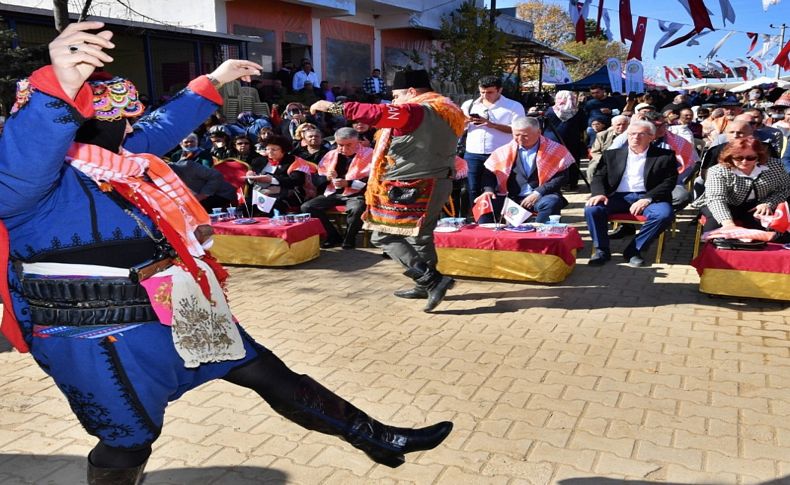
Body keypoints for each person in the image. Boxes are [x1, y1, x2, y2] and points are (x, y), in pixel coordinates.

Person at [0, 22, 453, 484]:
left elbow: (162, 126)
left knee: (264, 370)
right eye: (122, 120)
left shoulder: (117, 161)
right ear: (84, 123)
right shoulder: (30, 186)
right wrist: (57, 83)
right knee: (129, 437)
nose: (134, 127)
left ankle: (375, 437)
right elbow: (25, 155)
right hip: (96, 333)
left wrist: (214, 80)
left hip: (175, 306)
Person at [310, 69, 465, 312]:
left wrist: (330, 106)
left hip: (412, 184)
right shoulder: (447, 109)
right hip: (438, 180)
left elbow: (375, 113)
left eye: (396, 96)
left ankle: (431, 280)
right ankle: (426, 285)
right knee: (421, 235)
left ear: (412, 92)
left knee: (381, 235)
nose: (393, 102)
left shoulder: (416, 110)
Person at [584, 120, 677, 268]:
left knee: (664, 214)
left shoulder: (665, 156)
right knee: (592, 209)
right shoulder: (612, 154)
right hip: (617, 197)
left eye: (641, 134)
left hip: (649, 197)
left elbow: (669, 182)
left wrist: (647, 198)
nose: (635, 137)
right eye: (632, 134)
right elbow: (599, 176)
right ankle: (602, 250)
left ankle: (634, 250)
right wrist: (598, 193)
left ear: (652, 137)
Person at [476, 116, 574, 223]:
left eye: (525, 136)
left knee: (551, 202)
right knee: (484, 201)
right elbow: (489, 174)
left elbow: (562, 177)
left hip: (541, 196)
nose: (520, 139)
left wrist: (538, 193)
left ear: (538, 132)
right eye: (516, 135)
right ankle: (488, 237)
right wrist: (488, 190)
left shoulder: (555, 149)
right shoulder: (504, 151)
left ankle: (539, 235)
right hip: (510, 196)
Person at [691, 136, 790, 232]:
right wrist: (728, 223)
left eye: (751, 158)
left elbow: (785, 189)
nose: (744, 161)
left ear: (759, 156)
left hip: (756, 206)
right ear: (730, 156)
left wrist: (768, 203)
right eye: (738, 158)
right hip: (723, 203)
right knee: (716, 229)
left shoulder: (776, 166)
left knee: (769, 233)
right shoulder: (718, 170)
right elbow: (716, 199)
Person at [300, 127, 373, 249]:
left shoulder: (369, 153)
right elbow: (317, 179)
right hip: (332, 192)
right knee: (307, 207)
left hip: (357, 193)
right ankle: (333, 236)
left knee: (357, 208)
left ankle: (349, 238)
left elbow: (371, 180)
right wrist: (327, 178)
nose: (343, 149)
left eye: (348, 145)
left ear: (358, 142)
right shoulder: (330, 154)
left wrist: (348, 183)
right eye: (340, 145)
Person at [460, 75, 526, 210]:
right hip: (473, 153)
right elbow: (459, 128)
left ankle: (498, 216)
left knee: (500, 188)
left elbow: (518, 130)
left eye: (489, 92)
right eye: (482, 92)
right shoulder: (469, 104)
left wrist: (491, 124)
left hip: (500, 155)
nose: (485, 95)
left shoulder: (513, 106)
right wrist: (465, 122)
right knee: (472, 188)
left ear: (499, 90)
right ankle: (477, 217)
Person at [245, 135, 317, 214]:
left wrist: (271, 180)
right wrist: (251, 177)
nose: (270, 152)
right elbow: (250, 182)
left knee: (275, 205)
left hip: (287, 195)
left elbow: (297, 181)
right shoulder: (259, 161)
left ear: (283, 150)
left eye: (274, 149)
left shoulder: (295, 161)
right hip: (260, 194)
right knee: (245, 207)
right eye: (268, 149)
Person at [168, 138, 238, 211]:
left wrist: (203, 195)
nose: (189, 144)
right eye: (186, 142)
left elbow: (216, 176)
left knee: (196, 209)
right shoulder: (175, 157)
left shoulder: (187, 165)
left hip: (220, 194)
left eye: (192, 141)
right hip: (196, 195)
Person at [543, 90, 586, 190]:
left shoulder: (549, 111)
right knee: (572, 161)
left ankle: (554, 184)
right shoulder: (578, 111)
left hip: (552, 140)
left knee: (554, 162)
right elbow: (583, 125)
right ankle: (572, 183)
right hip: (572, 139)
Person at [588, 114, 629, 179]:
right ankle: (594, 187)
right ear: (612, 125)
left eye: (624, 124)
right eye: (618, 124)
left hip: (627, 159)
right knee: (592, 168)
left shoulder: (633, 135)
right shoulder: (602, 135)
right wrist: (605, 160)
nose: (621, 127)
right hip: (605, 159)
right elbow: (595, 151)